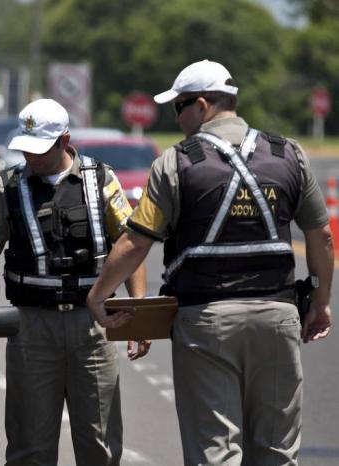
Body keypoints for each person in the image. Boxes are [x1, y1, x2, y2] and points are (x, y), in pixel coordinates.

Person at [86, 60, 333, 465]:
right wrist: (320, 302)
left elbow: (136, 240)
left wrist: (100, 295)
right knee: (276, 450)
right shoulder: (288, 153)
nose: (178, 117)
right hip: (279, 315)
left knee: (215, 451)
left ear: (201, 105)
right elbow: (321, 235)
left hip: (207, 322)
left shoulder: (175, 162)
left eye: (178, 107)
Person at [0, 98, 149, 465]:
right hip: (32, 330)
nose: (31, 158)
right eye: (24, 149)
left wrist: (137, 315)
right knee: (30, 446)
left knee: (100, 444)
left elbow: (130, 246)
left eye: (39, 150)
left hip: (92, 328)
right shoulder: (8, 186)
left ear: (64, 140)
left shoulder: (101, 180)